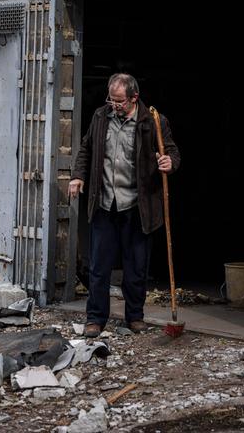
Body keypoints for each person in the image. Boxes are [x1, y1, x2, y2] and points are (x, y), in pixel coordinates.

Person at [69, 73, 180, 338]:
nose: (114, 105)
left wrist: (169, 163)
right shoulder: (100, 117)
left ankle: (135, 317)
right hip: (105, 203)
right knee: (99, 267)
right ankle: (95, 319)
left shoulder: (152, 121)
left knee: (135, 267)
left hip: (137, 207)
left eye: (119, 101)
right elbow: (86, 149)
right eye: (111, 99)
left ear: (134, 98)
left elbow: (172, 152)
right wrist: (77, 175)